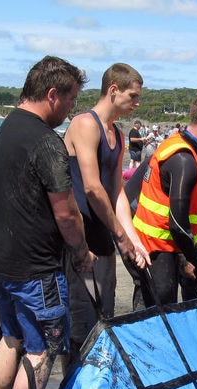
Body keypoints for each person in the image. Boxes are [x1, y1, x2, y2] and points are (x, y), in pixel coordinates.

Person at [0, 55, 96, 389]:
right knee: (41, 350)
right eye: (71, 101)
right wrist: (81, 252)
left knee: (10, 338)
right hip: (34, 268)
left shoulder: (8, 127)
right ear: (52, 95)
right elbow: (66, 212)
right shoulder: (46, 142)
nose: (72, 110)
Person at [63, 62, 152, 358]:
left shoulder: (118, 134)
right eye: (133, 96)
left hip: (104, 239)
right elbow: (91, 187)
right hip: (80, 240)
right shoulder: (85, 124)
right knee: (80, 322)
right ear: (113, 90)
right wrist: (121, 235)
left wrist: (133, 238)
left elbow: (117, 193)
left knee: (105, 315)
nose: (136, 104)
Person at [132, 92, 197, 308]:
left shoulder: (178, 144)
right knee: (162, 308)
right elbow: (178, 225)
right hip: (158, 247)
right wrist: (196, 256)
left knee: (154, 305)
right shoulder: (183, 159)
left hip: (160, 245)